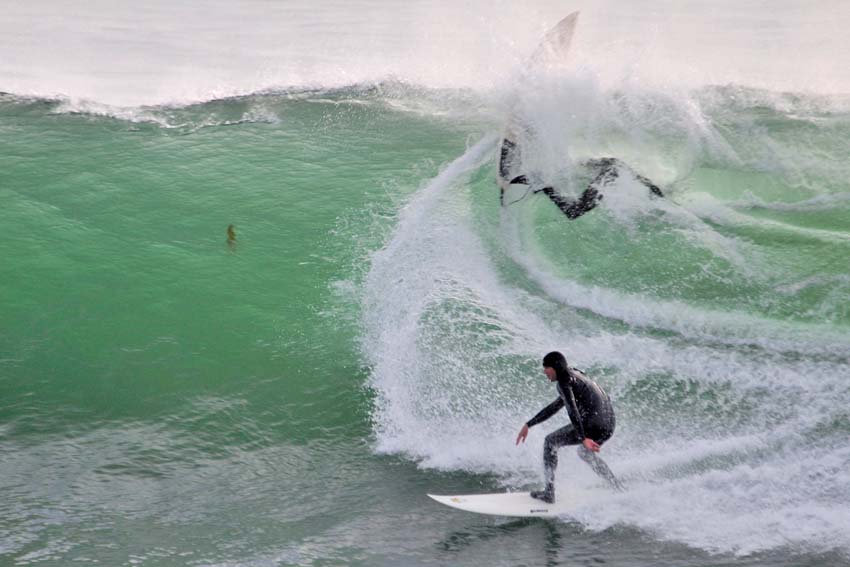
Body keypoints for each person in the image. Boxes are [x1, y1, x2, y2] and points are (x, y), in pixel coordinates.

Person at [515, 351, 623, 503]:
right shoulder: (575, 375)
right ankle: (617, 487)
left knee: (550, 442)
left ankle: (549, 493)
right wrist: (529, 424)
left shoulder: (564, 382)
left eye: (546, 367)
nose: (544, 371)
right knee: (585, 453)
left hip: (594, 423)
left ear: (555, 367)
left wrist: (583, 437)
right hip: (608, 424)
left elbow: (572, 410)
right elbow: (555, 406)